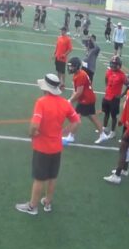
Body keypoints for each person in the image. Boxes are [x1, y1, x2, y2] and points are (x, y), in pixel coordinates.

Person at [15, 74, 81, 215]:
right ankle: (47, 202)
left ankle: (32, 206)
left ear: (45, 88)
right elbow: (76, 121)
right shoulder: (64, 103)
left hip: (42, 147)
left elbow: (34, 125)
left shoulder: (41, 102)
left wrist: (32, 134)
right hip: (56, 147)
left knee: (39, 178)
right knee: (52, 177)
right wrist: (65, 131)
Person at [104, 72, 129, 184]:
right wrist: (122, 120)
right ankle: (124, 169)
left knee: (123, 149)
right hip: (128, 124)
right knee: (125, 148)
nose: (128, 81)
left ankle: (117, 175)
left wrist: (128, 131)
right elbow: (127, 109)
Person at [63, 57, 109, 144]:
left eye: (71, 66)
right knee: (92, 117)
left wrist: (70, 100)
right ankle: (102, 135)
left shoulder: (80, 76)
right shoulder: (79, 74)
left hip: (86, 100)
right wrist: (71, 99)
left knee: (76, 118)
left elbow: (79, 92)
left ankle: (71, 136)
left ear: (76, 66)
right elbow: (76, 91)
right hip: (88, 98)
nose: (70, 68)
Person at [102, 56, 126, 138]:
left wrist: (122, 95)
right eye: (112, 64)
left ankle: (112, 132)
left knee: (113, 116)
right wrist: (107, 87)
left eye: (114, 64)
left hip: (114, 98)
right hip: (107, 96)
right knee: (106, 113)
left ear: (119, 65)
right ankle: (104, 127)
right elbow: (106, 79)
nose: (112, 66)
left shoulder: (122, 75)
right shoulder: (109, 71)